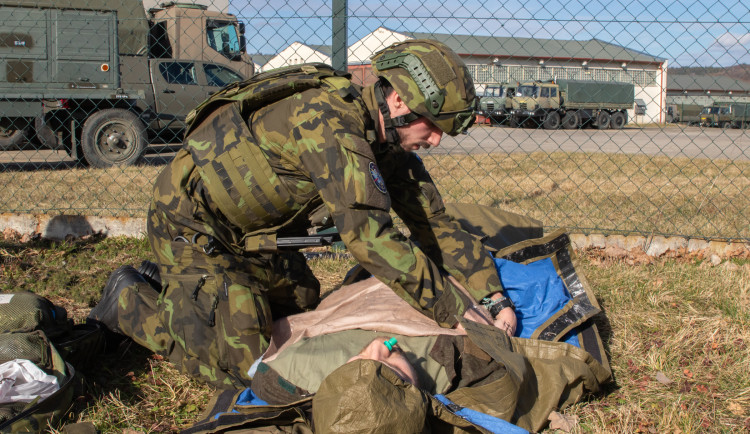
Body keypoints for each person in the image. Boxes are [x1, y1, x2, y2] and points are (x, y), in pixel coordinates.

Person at [89, 39, 517, 389]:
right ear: (401, 101)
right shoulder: (330, 124)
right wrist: (453, 311)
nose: (438, 141)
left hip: (252, 235)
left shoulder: (385, 142)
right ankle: (129, 300)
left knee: (301, 303)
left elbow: (433, 225)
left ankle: (186, 291)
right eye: (435, 125)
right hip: (190, 227)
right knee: (245, 366)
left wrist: (491, 296)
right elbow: (370, 239)